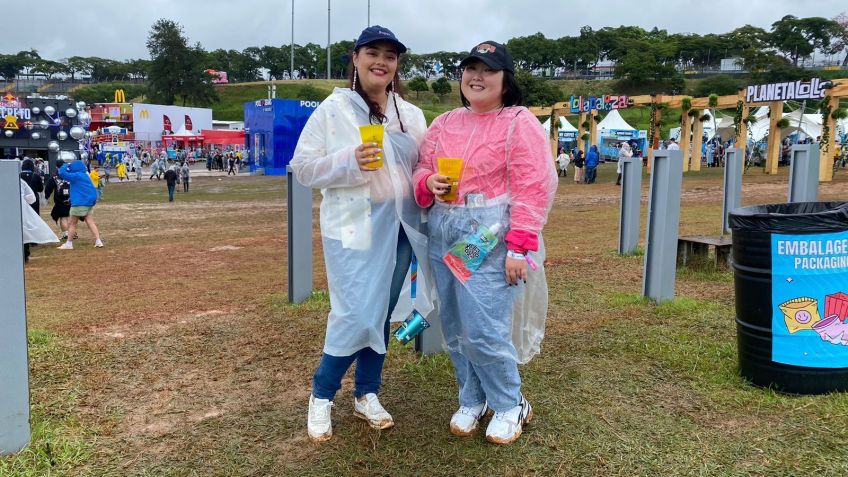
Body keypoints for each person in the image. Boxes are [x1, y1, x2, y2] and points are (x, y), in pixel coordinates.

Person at [291, 25, 434, 443]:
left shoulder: (410, 114)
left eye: (390, 56)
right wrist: (348, 160)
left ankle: (367, 392)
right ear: (355, 58)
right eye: (373, 52)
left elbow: (421, 166)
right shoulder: (333, 110)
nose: (381, 62)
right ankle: (322, 395)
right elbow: (303, 167)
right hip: (354, 226)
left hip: (402, 228)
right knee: (353, 312)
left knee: (383, 313)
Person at [413, 40, 556, 445]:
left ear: (504, 80)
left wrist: (519, 246)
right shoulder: (444, 123)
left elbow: (533, 185)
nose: (477, 77)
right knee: (455, 322)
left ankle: (510, 403)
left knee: (485, 325)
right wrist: (427, 182)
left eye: (488, 70)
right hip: (446, 230)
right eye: (470, 69)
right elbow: (423, 165)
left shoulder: (518, 121)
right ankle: (472, 397)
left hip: (489, 236)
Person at [57, 159, 103, 249]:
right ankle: (98, 241)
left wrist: (66, 165)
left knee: (72, 223)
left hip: (79, 203)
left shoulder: (76, 176)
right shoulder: (85, 175)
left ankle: (69, 244)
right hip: (88, 203)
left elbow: (62, 173)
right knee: (90, 222)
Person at [19, 179, 59, 262]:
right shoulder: (20, 181)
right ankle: (24, 255)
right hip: (21, 209)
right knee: (23, 230)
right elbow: (31, 198)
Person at [44, 159, 72, 240]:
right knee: (70, 216)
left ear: (56, 166)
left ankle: (66, 234)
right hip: (71, 198)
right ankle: (72, 233)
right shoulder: (69, 174)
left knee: (63, 217)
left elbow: (48, 188)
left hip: (60, 200)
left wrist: (46, 196)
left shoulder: (54, 176)